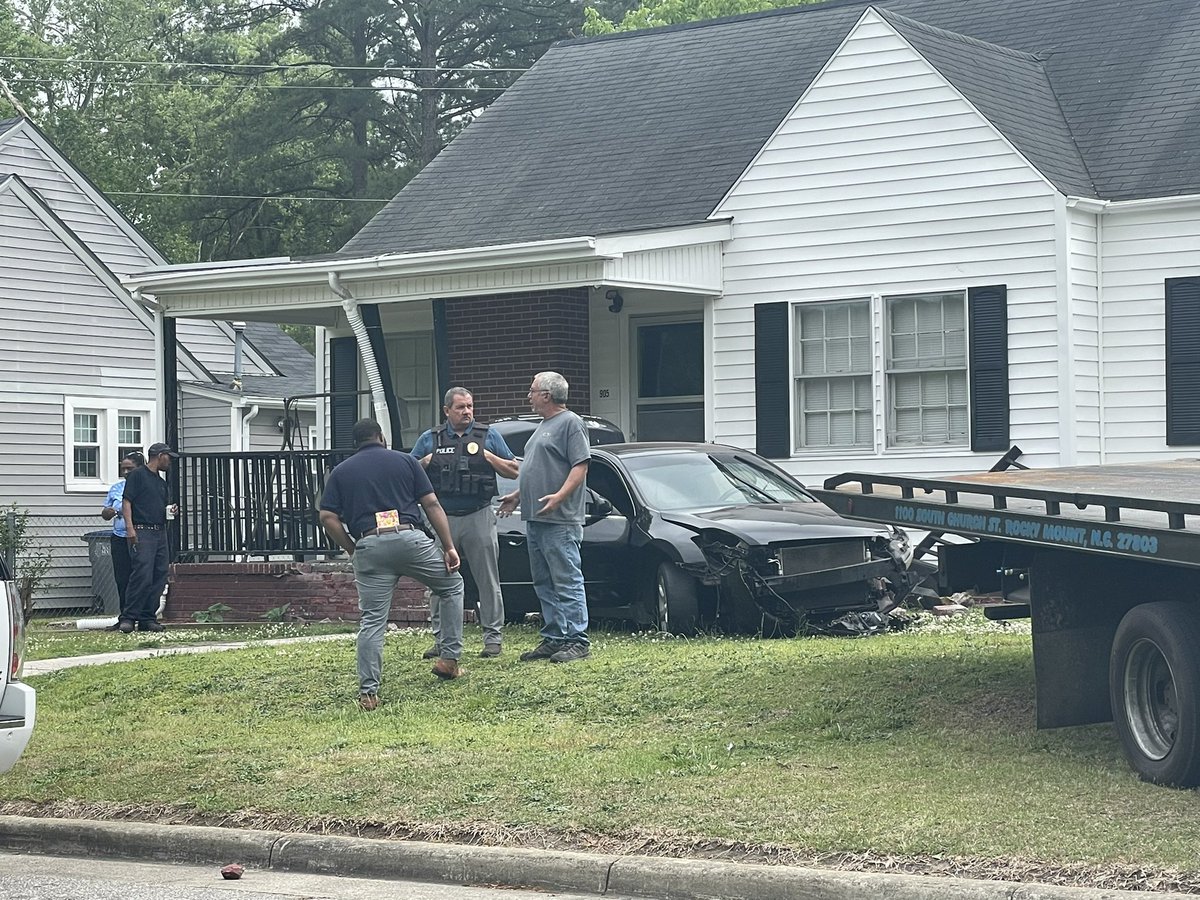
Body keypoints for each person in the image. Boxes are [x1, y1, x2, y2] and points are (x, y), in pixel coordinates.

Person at [319, 418, 466, 709]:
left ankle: (369, 693)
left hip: (369, 544)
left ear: (356, 442)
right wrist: (448, 546)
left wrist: (352, 548)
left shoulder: (340, 472)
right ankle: (449, 659)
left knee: (373, 620)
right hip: (409, 538)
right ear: (381, 436)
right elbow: (432, 504)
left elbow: (327, 517)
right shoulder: (405, 462)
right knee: (450, 587)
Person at [411, 387, 519, 659]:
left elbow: (514, 469)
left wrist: (488, 456)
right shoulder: (430, 438)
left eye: (470, 406)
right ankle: (442, 639)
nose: (467, 412)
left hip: (478, 514)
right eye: (460, 407)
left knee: (488, 579)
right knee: (439, 580)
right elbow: (408, 473)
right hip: (443, 517)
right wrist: (426, 461)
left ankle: (492, 638)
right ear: (447, 410)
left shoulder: (488, 435)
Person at [497, 371, 591, 664]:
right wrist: (517, 496)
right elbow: (536, 469)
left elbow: (580, 466)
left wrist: (559, 497)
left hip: (560, 520)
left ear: (547, 396)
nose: (529, 396)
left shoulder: (570, 423)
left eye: (533, 390)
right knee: (544, 582)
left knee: (567, 580)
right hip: (536, 520)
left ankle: (577, 640)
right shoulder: (542, 427)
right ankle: (554, 637)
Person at [119, 442, 179, 634]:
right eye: (168, 457)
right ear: (160, 455)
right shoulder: (137, 475)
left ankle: (147, 617)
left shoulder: (161, 482)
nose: (169, 461)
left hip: (160, 531)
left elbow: (157, 505)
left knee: (159, 575)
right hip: (142, 530)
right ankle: (128, 617)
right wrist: (130, 528)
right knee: (142, 574)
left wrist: (171, 511)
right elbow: (126, 501)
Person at [99, 451, 145, 622]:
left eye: (130, 469)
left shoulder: (145, 486)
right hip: (119, 536)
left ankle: (141, 614)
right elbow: (105, 512)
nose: (126, 472)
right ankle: (124, 615)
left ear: (140, 468)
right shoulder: (116, 488)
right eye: (123, 469)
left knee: (140, 576)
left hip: (140, 536)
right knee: (122, 577)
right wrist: (108, 512)